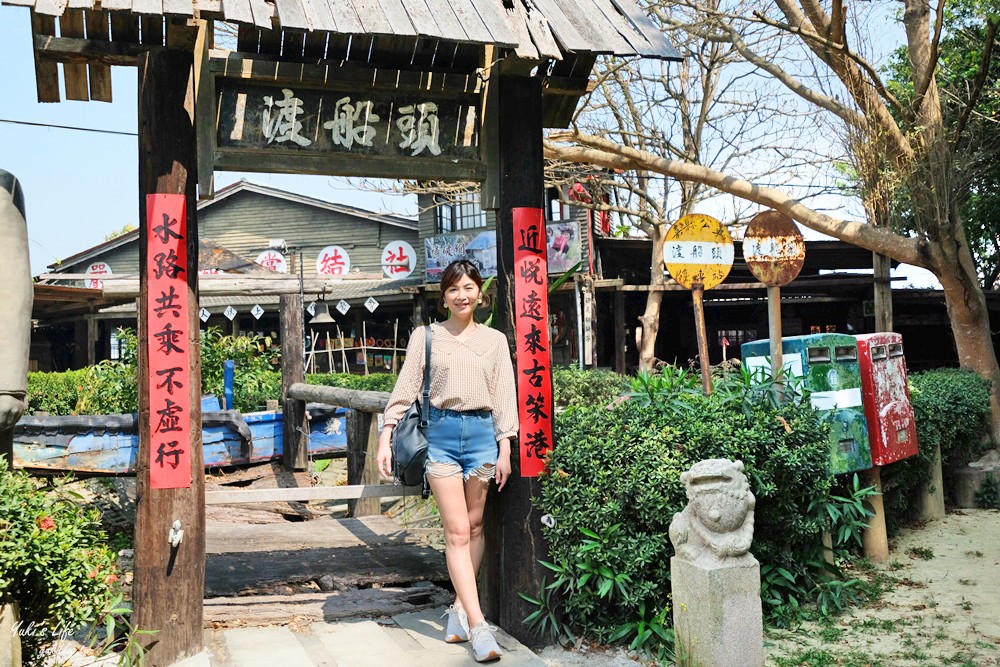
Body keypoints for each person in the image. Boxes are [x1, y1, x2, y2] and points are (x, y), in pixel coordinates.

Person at [377, 259, 516, 663]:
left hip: (482, 437)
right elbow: (404, 391)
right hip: (438, 436)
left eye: (469, 287)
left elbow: (504, 395)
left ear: (480, 293)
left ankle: (458, 610)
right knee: (456, 530)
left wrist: (505, 447)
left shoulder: (494, 341)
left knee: (474, 527)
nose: (462, 296)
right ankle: (479, 626)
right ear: (444, 297)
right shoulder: (426, 337)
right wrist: (386, 435)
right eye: (454, 289)